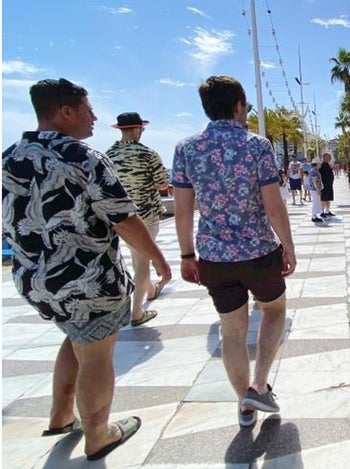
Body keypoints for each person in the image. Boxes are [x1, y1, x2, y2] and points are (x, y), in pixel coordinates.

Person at [1, 78, 171, 460]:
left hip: (34, 279)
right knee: (95, 353)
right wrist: (159, 258)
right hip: (86, 280)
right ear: (65, 112)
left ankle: (60, 415)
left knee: (76, 336)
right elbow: (123, 219)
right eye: (88, 108)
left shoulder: (9, 157)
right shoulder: (83, 157)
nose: (94, 116)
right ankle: (98, 432)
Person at [172, 75, 296, 427]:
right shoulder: (257, 146)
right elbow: (273, 205)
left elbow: (182, 209)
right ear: (239, 106)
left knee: (232, 330)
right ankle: (258, 385)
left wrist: (186, 255)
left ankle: (244, 404)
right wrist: (288, 246)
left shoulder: (186, 148)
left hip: (213, 257)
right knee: (274, 311)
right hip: (258, 252)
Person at [106, 112, 170, 327]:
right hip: (146, 214)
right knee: (142, 260)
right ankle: (136, 312)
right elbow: (163, 185)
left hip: (119, 217)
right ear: (138, 129)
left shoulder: (108, 155)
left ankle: (150, 289)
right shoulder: (147, 154)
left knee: (137, 256)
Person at [319, 152, 336, 218]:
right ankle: (322, 211)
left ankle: (327, 211)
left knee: (328, 198)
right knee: (323, 198)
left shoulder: (328, 165)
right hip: (324, 185)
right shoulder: (321, 165)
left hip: (329, 185)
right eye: (329, 157)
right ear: (324, 157)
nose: (330, 158)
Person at [308, 158, 325, 223]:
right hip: (314, 189)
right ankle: (314, 217)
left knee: (317, 202)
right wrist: (318, 189)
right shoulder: (314, 171)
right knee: (316, 202)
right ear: (317, 164)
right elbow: (314, 181)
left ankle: (314, 216)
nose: (320, 164)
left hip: (315, 189)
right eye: (319, 163)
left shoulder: (315, 170)